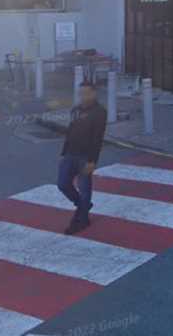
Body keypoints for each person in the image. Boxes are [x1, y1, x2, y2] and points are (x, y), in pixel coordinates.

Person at [57, 80, 106, 234]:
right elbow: (70, 132)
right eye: (81, 93)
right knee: (62, 184)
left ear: (93, 93)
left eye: (87, 93)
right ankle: (82, 204)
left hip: (85, 156)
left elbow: (98, 138)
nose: (83, 96)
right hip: (70, 154)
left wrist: (93, 161)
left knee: (84, 188)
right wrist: (63, 153)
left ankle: (81, 219)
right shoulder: (75, 110)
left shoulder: (99, 112)